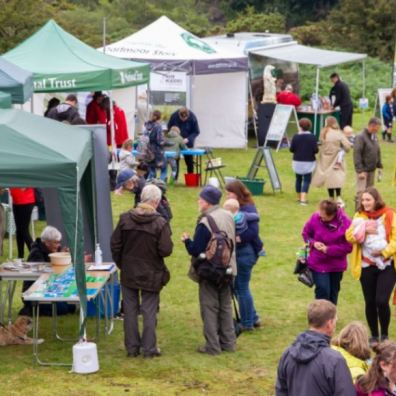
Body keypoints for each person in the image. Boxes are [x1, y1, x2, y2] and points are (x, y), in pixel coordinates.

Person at [111, 185, 173, 358]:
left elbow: (115, 244)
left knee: (130, 310)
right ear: (156, 201)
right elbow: (166, 250)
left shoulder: (125, 219)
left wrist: (122, 263)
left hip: (130, 270)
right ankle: (149, 348)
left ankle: (132, 348)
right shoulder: (160, 223)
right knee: (149, 310)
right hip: (151, 272)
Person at [182, 185, 236, 355]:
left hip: (210, 271)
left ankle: (212, 346)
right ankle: (228, 343)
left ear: (207, 202)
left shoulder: (205, 222)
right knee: (226, 306)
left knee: (209, 307)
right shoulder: (228, 215)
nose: (198, 201)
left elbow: (196, 249)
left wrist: (186, 241)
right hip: (228, 269)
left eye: (201, 199)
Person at [346, 187, 396, 346]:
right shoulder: (359, 216)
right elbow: (348, 236)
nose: (365, 203)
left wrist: (384, 252)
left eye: (368, 200)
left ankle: (385, 335)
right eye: (363, 200)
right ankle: (374, 335)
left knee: (382, 301)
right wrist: (362, 230)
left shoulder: (389, 214)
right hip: (366, 266)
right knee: (370, 302)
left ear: (376, 200)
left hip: (386, 266)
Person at [276, 299, 355, 396]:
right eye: (335, 321)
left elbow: (281, 391)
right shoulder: (335, 360)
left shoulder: (287, 354)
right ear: (330, 324)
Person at [225, 180, 262, 330]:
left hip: (245, 252)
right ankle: (253, 317)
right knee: (238, 287)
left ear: (237, 193)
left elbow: (253, 232)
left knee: (241, 287)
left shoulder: (247, 209)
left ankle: (247, 323)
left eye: (229, 193)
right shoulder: (235, 208)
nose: (227, 196)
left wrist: (236, 238)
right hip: (242, 252)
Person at [302, 199, 352, 304]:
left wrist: (328, 249)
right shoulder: (315, 217)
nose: (321, 218)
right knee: (323, 290)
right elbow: (306, 234)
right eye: (320, 214)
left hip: (336, 265)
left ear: (333, 214)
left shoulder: (346, 223)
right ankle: (319, 317)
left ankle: (330, 317)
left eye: (324, 216)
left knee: (333, 292)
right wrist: (313, 243)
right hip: (318, 263)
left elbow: (348, 247)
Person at [19, 226, 75, 317]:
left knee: (71, 306)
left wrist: (61, 255)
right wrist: (58, 256)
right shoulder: (36, 253)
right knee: (64, 308)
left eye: (59, 242)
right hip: (34, 292)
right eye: (56, 243)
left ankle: (39, 309)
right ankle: (33, 309)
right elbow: (45, 272)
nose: (58, 245)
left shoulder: (47, 250)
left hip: (47, 290)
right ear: (47, 243)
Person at [312, 116, 352, 207]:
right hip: (336, 157)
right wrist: (344, 148)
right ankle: (338, 196)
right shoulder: (338, 133)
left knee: (328, 177)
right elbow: (347, 146)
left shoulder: (323, 132)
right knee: (337, 177)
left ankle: (330, 197)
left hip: (324, 158)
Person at [353, 117, 383, 206]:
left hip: (371, 170)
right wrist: (360, 170)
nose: (377, 130)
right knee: (361, 192)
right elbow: (357, 154)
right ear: (371, 126)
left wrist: (379, 164)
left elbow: (377, 150)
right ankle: (358, 212)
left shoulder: (374, 136)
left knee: (369, 193)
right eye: (377, 128)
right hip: (363, 170)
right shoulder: (360, 137)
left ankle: (367, 211)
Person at [289, 118, 318, 206]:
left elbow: (291, 149)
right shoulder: (312, 137)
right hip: (308, 161)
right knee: (306, 180)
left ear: (300, 126)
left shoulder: (295, 136)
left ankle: (298, 197)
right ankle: (303, 199)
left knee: (298, 179)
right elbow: (316, 150)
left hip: (297, 161)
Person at [167, 107, 200, 180]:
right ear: (179, 115)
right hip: (176, 143)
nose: (183, 120)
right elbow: (169, 128)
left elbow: (196, 131)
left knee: (189, 161)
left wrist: (189, 139)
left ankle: (191, 178)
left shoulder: (193, 117)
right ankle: (175, 178)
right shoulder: (174, 116)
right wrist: (176, 138)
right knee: (175, 160)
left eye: (185, 119)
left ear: (188, 116)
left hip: (188, 142)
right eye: (182, 119)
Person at [9, 187, 35, 259]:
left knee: (24, 230)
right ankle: (20, 257)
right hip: (17, 202)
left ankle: (36, 254)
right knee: (19, 231)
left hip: (26, 201)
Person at [145, 110, 167, 181]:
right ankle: (160, 184)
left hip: (148, 149)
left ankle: (148, 184)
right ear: (159, 117)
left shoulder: (146, 124)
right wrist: (165, 141)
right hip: (157, 151)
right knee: (163, 169)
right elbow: (159, 140)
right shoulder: (158, 126)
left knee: (151, 170)